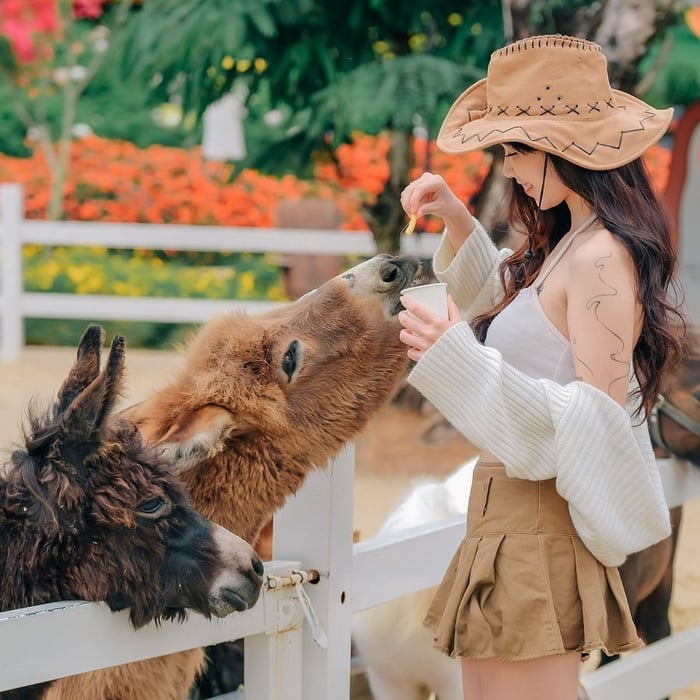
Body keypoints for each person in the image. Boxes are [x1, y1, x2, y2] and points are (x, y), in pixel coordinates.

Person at [397, 34, 686, 700]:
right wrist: (460, 224)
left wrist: (458, 361)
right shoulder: (567, 244)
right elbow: (521, 323)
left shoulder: (599, 258)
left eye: (516, 148)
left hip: (540, 520)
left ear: (565, 148)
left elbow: (597, 422)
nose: (507, 167)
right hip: (503, 512)